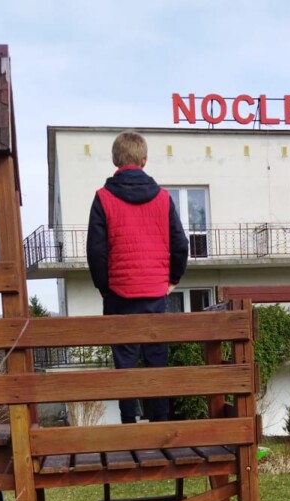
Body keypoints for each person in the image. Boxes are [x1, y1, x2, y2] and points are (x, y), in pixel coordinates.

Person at [87, 131, 189, 424]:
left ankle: (130, 426)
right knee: (157, 361)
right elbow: (179, 244)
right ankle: (159, 426)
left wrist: (105, 288)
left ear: (114, 160)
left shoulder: (103, 198)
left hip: (119, 295)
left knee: (125, 365)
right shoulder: (163, 198)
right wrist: (173, 280)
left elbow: (96, 251)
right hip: (155, 294)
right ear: (144, 160)